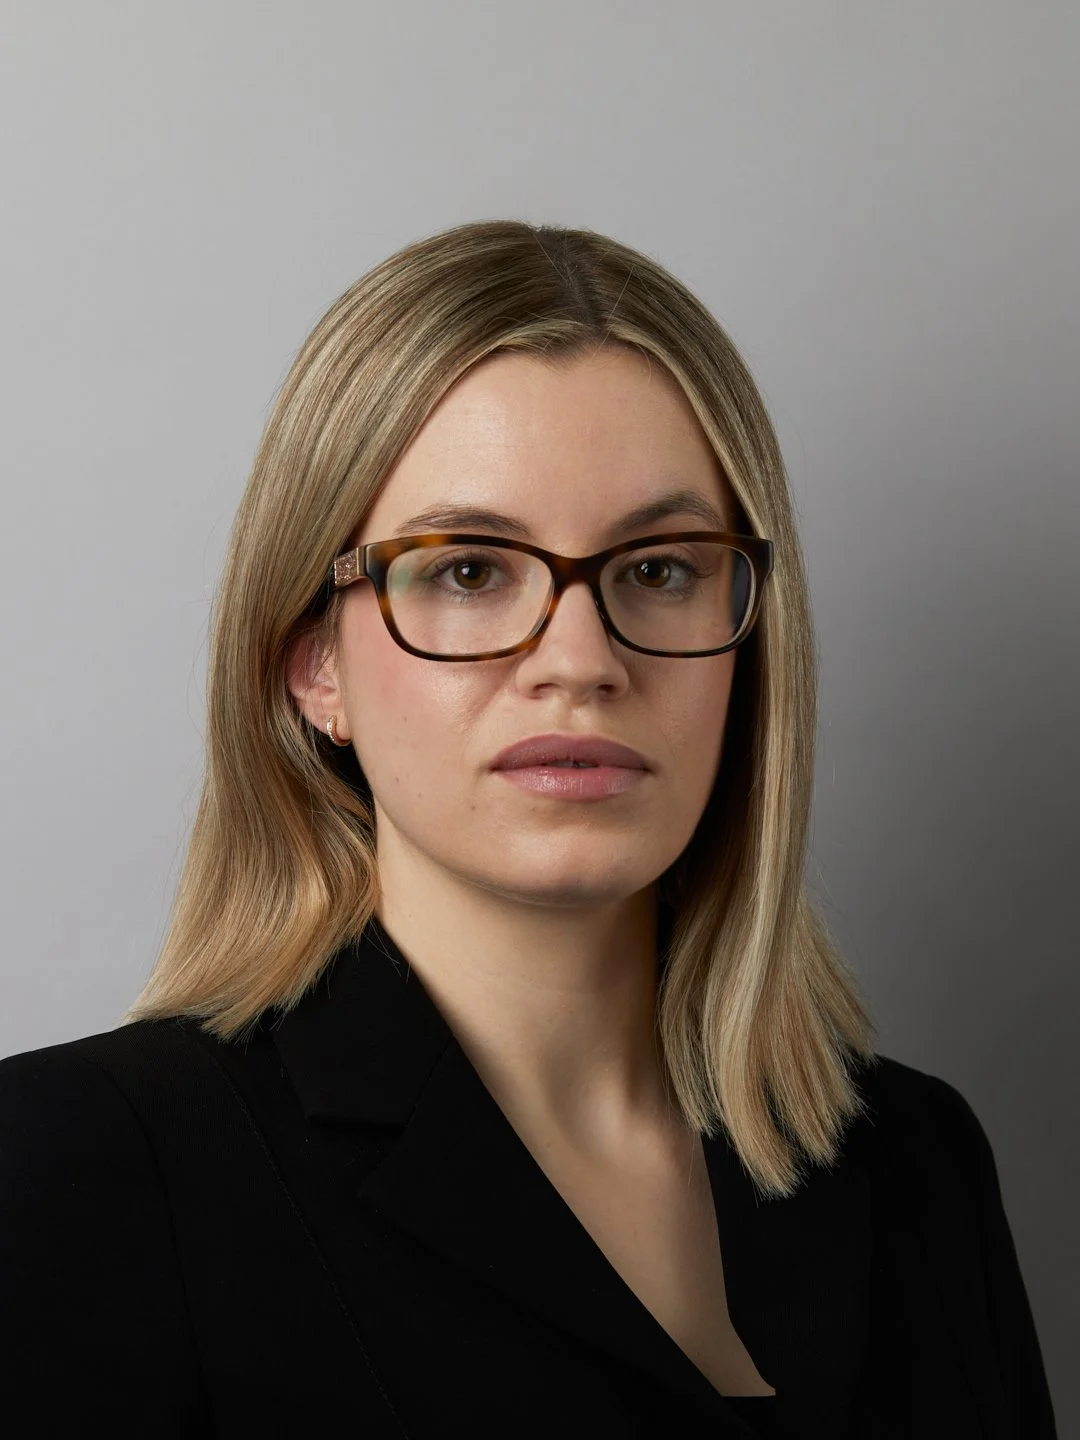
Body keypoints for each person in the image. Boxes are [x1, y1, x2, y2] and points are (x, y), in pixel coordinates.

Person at [0, 221, 1056, 1438]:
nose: (580, 661)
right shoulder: (97, 1168)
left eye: (659, 570)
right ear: (312, 666)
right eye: (466, 571)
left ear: (754, 646)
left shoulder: (916, 1163)